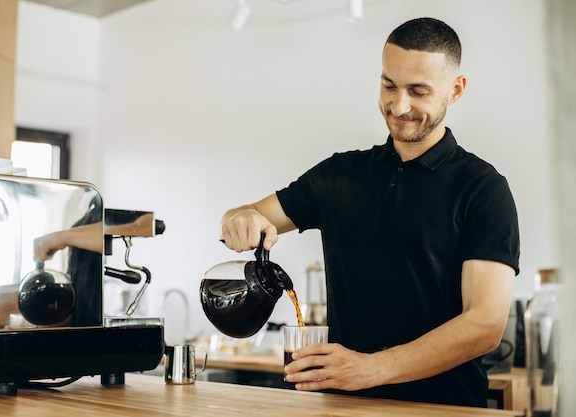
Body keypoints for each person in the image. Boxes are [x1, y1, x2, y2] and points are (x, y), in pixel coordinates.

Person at [219, 17, 520, 408]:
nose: (399, 105)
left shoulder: (483, 189)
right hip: (343, 407)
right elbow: (240, 219)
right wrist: (241, 220)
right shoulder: (340, 174)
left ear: (456, 89)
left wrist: (370, 368)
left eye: (418, 91)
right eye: (389, 85)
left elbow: (484, 325)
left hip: (444, 410)